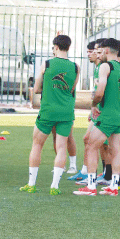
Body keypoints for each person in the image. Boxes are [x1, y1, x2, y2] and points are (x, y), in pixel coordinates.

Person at [74, 38, 120, 196]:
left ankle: (90, 187)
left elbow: (100, 91)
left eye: (99, 50)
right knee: (115, 149)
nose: (98, 53)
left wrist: (94, 105)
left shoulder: (105, 66)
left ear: (106, 51)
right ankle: (114, 186)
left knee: (91, 146)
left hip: (108, 115)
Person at [20, 35, 79, 195]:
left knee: (37, 145)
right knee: (61, 148)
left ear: (55, 47)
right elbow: (72, 89)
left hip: (47, 110)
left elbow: (37, 88)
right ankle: (54, 186)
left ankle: (31, 184)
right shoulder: (75, 67)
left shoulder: (46, 64)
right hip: (66, 112)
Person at [68, 40, 102, 182]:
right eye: (88, 51)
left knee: (95, 141)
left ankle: (99, 175)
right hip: (97, 111)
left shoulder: (103, 68)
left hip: (103, 112)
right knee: (89, 140)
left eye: (92, 51)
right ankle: (86, 171)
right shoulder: (97, 68)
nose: (89, 54)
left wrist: (96, 107)